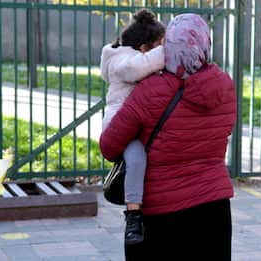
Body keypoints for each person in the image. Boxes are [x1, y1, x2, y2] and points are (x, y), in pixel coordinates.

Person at [100, 13, 236, 260]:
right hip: (214, 210)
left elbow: (109, 146)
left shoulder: (150, 90)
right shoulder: (224, 86)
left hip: (161, 214)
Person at [99, 8, 165, 245]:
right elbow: (135, 69)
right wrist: (169, 51)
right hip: (121, 125)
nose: (162, 51)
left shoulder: (135, 58)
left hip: (139, 122)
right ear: (145, 49)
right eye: (159, 45)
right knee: (136, 159)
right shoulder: (121, 62)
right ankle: (133, 215)